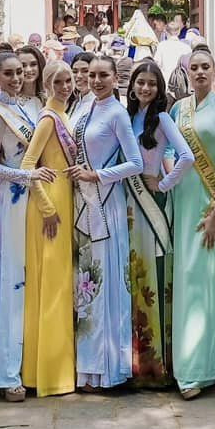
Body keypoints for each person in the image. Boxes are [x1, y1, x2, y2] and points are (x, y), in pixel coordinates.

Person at [169, 47, 215, 399]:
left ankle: (196, 371)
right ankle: (184, 364)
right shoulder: (177, 109)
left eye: (205, 67)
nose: (199, 72)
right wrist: (170, 171)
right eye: (193, 67)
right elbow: (169, 152)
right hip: (180, 203)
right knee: (183, 280)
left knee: (202, 285)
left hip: (208, 209)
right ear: (186, 72)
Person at [69, 54, 145, 390]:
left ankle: (108, 367)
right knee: (86, 285)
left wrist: (96, 174)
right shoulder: (84, 109)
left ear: (115, 78)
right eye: (92, 75)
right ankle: (87, 368)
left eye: (103, 75)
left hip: (105, 203)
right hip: (83, 204)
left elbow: (136, 163)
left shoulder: (117, 114)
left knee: (103, 282)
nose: (96, 80)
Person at [0, 52, 44, 400]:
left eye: (19, 72)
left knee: (26, 283)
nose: (16, 78)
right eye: (8, 73)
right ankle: (6, 374)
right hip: (4, 203)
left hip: (29, 202)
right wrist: (28, 174)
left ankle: (26, 364)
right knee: (8, 286)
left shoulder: (30, 106)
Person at [124, 58, 188, 388]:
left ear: (159, 88)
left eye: (151, 83)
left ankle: (158, 366)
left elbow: (186, 156)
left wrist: (163, 184)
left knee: (153, 276)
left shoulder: (161, 118)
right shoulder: (127, 116)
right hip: (127, 204)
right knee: (134, 278)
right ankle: (134, 364)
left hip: (151, 204)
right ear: (132, 86)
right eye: (140, 82)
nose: (145, 88)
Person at [21, 61, 78, 397]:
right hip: (50, 206)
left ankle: (56, 367)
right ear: (46, 84)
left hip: (64, 199)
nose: (65, 85)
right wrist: (46, 208)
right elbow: (28, 165)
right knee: (51, 288)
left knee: (61, 287)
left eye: (69, 79)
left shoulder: (66, 114)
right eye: (58, 80)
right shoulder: (48, 118)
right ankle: (48, 374)